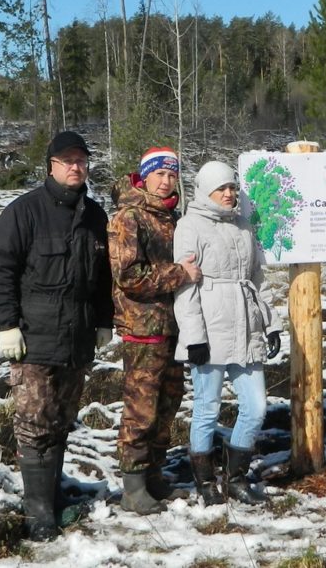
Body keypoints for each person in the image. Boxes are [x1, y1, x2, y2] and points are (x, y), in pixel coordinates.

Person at [0, 130, 115, 541]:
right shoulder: (24, 212)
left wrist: (104, 322)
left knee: (60, 421)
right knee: (34, 423)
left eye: (81, 160)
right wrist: (6, 324)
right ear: (51, 166)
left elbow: (102, 278)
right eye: (67, 160)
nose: (76, 166)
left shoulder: (94, 215)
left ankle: (53, 498)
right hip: (34, 338)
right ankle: (38, 511)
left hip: (76, 339)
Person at [173, 160, 282, 505]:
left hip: (246, 327)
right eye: (222, 188)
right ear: (206, 191)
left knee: (256, 407)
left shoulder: (244, 227)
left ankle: (235, 478)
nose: (229, 193)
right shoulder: (189, 226)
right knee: (207, 408)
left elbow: (257, 280)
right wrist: (194, 338)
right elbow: (185, 289)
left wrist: (271, 322)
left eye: (232, 187)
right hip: (210, 329)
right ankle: (206, 483)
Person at [109, 147, 200, 514]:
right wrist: (180, 274)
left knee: (168, 403)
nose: (166, 181)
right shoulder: (128, 217)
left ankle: (155, 476)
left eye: (171, 174)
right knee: (141, 408)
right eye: (159, 174)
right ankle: (132, 487)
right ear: (144, 176)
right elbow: (128, 276)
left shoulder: (172, 217)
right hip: (143, 328)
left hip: (175, 326)